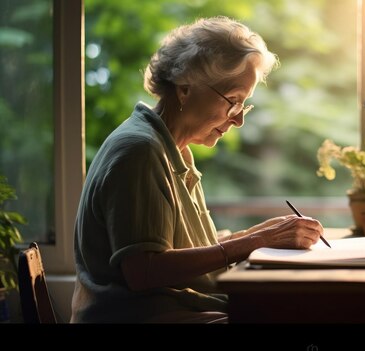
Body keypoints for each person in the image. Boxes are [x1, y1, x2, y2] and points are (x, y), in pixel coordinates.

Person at [71, 16, 324, 323]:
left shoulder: (174, 150)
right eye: (233, 101)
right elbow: (144, 271)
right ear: (185, 88)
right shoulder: (140, 150)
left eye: (244, 105)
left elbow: (192, 250)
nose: (238, 119)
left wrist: (266, 234)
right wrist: (256, 242)